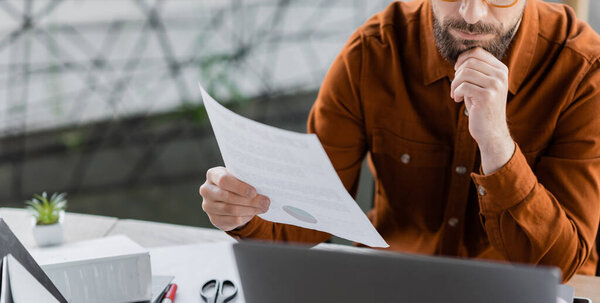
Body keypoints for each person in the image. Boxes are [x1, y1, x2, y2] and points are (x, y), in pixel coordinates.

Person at [199, 0, 600, 282]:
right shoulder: (372, 53)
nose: (472, 14)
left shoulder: (582, 71)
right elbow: (309, 217)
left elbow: (562, 265)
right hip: (390, 285)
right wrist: (243, 213)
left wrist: (497, 143)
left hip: (524, 298)